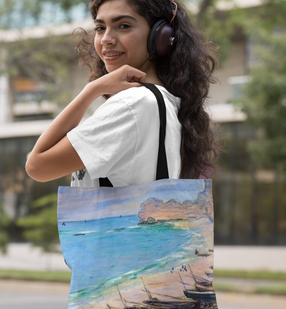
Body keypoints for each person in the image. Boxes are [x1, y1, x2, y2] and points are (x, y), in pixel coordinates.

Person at [26, 0, 218, 187]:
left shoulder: (133, 104)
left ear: (160, 35)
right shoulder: (166, 100)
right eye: (100, 28)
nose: (107, 39)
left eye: (123, 26)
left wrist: (92, 89)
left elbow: (37, 166)